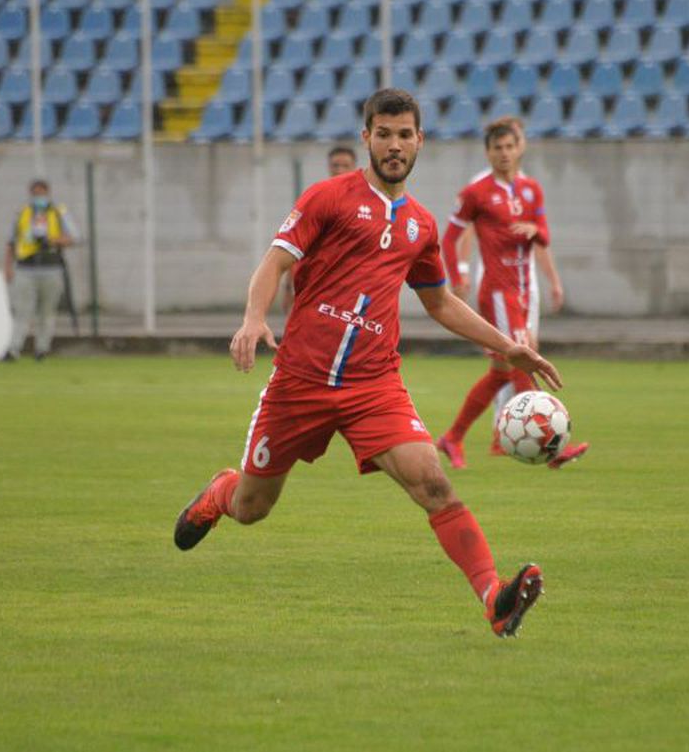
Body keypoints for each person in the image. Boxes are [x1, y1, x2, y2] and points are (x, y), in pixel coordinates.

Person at [173, 89, 561, 638]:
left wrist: (507, 346)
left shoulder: (420, 225)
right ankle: (220, 493)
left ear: (419, 141)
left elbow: (439, 303)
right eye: (384, 134)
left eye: (404, 135)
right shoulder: (328, 198)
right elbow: (274, 262)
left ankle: (493, 598)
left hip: (372, 387)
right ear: (367, 138)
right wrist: (253, 318)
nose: (394, 145)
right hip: (300, 382)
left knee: (433, 485)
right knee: (253, 506)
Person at [436, 119, 588, 470]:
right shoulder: (476, 193)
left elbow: (545, 235)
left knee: (500, 371)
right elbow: (449, 237)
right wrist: (457, 274)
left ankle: (452, 437)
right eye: (497, 148)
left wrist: (534, 229)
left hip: (523, 290)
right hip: (498, 292)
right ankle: (553, 446)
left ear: (519, 148)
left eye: (509, 146)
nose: (504, 153)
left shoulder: (531, 189)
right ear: (488, 152)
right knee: (523, 359)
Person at [2, 179, 78, 361]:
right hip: (25, 268)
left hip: (51, 267)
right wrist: (7, 267)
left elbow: (74, 237)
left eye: (42, 193)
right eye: (35, 193)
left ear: (48, 193)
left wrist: (52, 240)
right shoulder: (22, 213)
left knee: (47, 312)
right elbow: (11, 243)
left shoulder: (58, 212)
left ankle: (42, 349)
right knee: (22, 311)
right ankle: (14, 349)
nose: (39, 197)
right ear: (30, 194)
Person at [280, 146, 357, 314]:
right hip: (315, 289)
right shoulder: (316, 201)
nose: (340, 170)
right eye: (335, 165)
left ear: (354, 168)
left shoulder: (364, 205)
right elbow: (294, 246)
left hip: (349, 291)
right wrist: (288, 287)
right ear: (329, 167)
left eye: (345, 166)